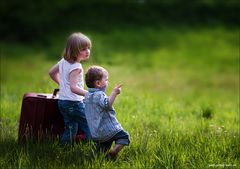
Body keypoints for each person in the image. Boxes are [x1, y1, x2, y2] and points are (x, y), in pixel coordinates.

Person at [48, 32, 91, 145]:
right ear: (74, 51)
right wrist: (89, 94)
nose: (87, 51)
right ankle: (96, 148)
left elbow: (51, 73)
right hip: (74, 103)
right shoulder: (77, 67)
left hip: (62, 102)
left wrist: (62, 84)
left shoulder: (63, 61)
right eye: (83, 49)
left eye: (88, 48)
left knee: (71, 128)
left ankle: (63, 147)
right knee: (89, 125)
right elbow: (73, 88)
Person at [84, 65, 130, 159]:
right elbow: (107, 105)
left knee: (103, 147)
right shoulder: (99, 95)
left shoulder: (87, 96)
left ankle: (96, 158)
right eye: (106, 80)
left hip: (96, 132)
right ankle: (113, 152)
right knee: (124, 137)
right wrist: (114, 93)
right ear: (98, 83)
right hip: (108, 129)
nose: (107, 82)